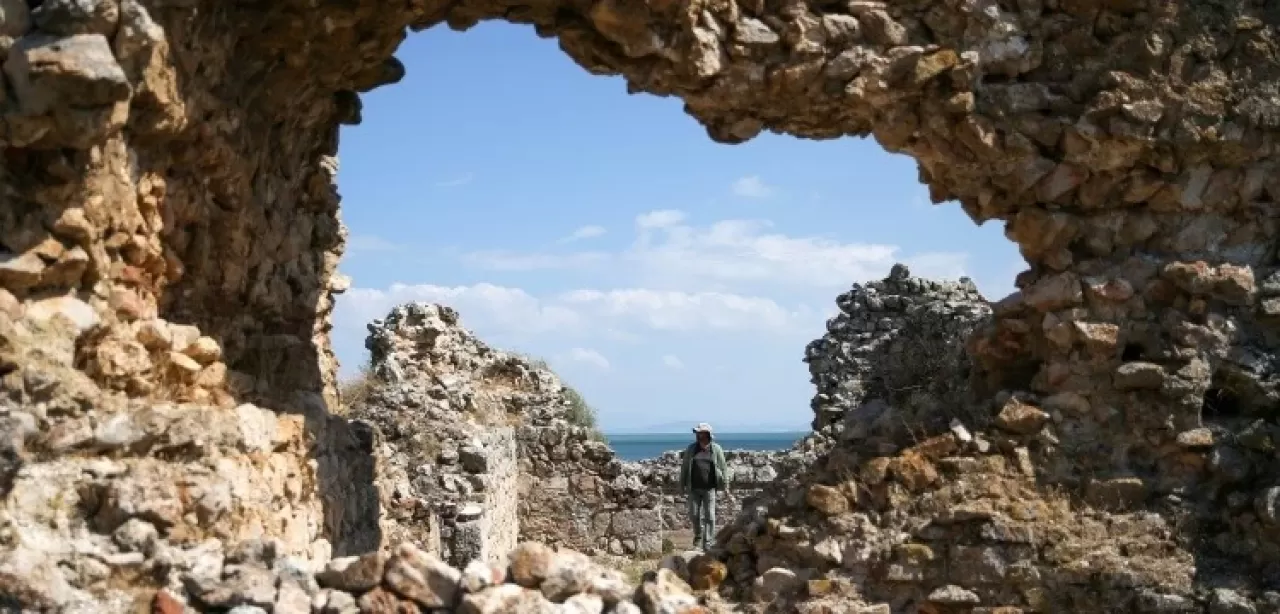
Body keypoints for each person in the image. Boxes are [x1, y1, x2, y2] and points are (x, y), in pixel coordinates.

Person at [679, 422, 730, 551]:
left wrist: (726, 486)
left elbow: (723, 467)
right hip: (694, 488)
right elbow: (685, 467)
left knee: (710, 516)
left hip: (710, 488)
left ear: (706, 434)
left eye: (700, 433)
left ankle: (708, 542)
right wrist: (681, 486)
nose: (697, 435)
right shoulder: (691, 449)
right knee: (694, 515)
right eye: (697, 433)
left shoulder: (716, 449)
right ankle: (698, 538)